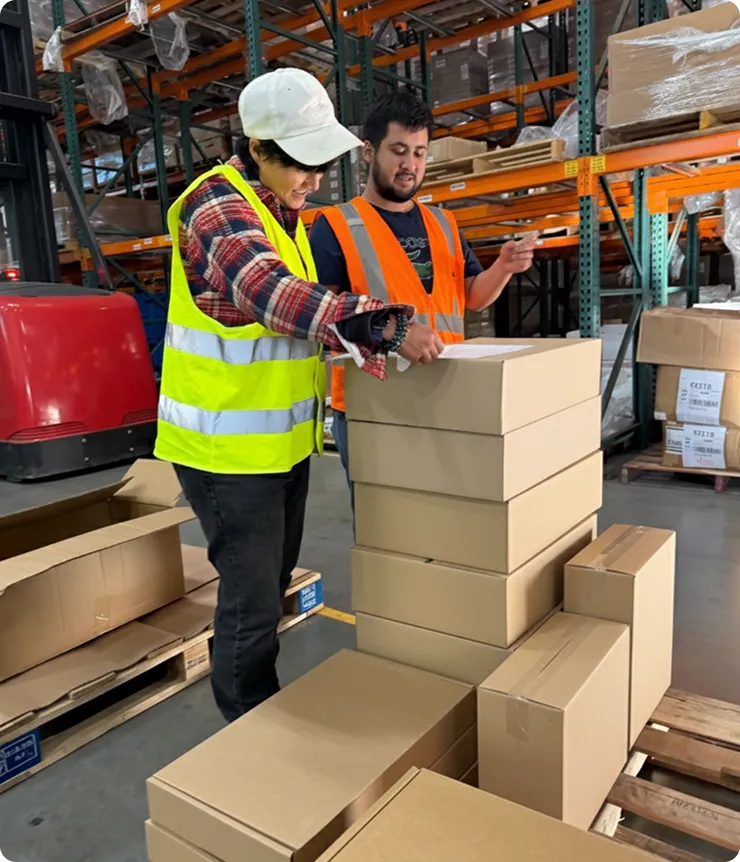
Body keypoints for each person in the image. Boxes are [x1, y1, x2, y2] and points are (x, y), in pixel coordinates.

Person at [153, 68, 440, 723]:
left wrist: (351, 346)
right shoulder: (217, 206)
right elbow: (267, 294)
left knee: (271, 587)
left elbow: (285, 330)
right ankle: (250, 726)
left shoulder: (285, 216)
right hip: (224, 451)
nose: (315, 179)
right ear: (258, 149)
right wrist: (381, 323)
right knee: (251, 603)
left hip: (276, 447)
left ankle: (257, 714)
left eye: (321, 163)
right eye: (303, 165)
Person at [309, 92, 537, 507]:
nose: (410, 165)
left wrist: (503, 267)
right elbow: (323, 316)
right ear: (368, 152)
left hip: (447, 390)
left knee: (447, 516)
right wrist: (392, 334)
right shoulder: (335, 227)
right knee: (388, 523)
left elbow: (472, 297)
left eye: (419, 153)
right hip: (375, 402)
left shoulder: (443, 223)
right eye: (398, 151)